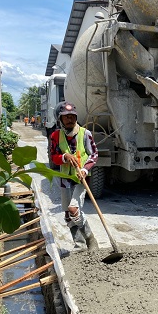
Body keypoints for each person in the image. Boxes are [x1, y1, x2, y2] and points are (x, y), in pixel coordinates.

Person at [49, 101, 98, 252]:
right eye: (66, 117)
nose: (69, 119)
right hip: (65, 179)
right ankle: (80, 245)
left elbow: (94, 154)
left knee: (73, 209)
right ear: (60, 119)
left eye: (72, 116)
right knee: (68, 215)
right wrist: (64, 157)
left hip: (81, 179)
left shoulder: (85, 134)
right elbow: (53, 156)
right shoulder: (56, 136)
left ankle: (91, 240)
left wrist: (84, 169)